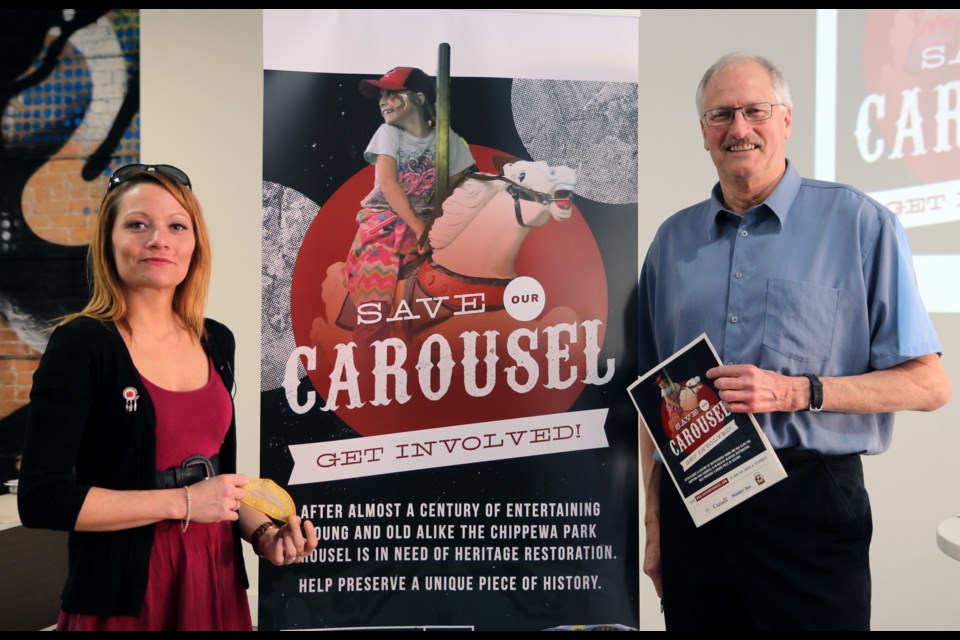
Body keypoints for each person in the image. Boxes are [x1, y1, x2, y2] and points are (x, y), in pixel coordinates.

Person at [637, 52, 951, 631]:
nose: (739, 128)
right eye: (721, 114)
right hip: (696, 506)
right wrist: (655, 524)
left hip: (809, 503)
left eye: (755, 110)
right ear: (702, 131)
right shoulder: (670, 243)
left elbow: (929, 384)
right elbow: (653, 399)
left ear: (785, 119)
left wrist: (797, 391)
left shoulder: (860, 223)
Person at [17, 164, 319, 631]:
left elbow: (219, 479)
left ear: (194, 244)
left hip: (215, 583)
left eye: (177, 226)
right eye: (138, 224)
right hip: (123, 597)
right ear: (108, 241)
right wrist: (182, 503)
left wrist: (262, 533)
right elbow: (42, 500)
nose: (159, 239)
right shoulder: (82, 344)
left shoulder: (216, 341)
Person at [343, 66, 476, 361]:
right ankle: (366, 365)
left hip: (433, 222)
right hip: (386, 223)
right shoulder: (388, 133)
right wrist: (419, 228)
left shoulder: (448, 141)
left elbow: (459, 187)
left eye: (393, 94)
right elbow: (389, 185)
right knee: (374, 305)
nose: (383, 101)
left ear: (417, 98)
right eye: (381, 95)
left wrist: (443, 221)